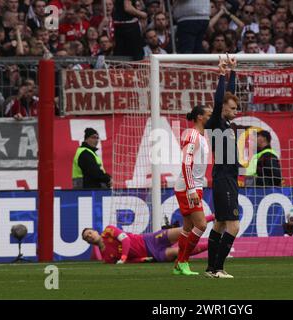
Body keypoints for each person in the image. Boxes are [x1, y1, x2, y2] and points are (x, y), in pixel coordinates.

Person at [204, 55, 240, 279]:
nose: (236, 110)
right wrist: (221, 74)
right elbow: (220, 101)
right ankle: (219, 268)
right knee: (233, 226)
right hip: (224, 179)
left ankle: (210, 268)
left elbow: (228, 98)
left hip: (226, 179)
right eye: (233, 108)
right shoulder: (216, 122)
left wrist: (233, 73)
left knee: (218, 225)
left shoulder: (226, 122)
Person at [173, 105, 212, 276]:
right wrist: (191, 189)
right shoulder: (192, 135)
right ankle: (183, 261)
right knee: (201, 225)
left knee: (188, 227)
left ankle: (178, 265)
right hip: (189, 187)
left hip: (193, 185)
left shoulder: (202, 136)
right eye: (209, 115)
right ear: (199, 117)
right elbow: (186, 163)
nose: (212, 117)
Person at [82, 218, 213, 264]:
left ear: (95, 231)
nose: (89, 236)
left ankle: (214, 217)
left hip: (150, 240)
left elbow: (125, 240)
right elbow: (126, 262)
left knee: (186, 229)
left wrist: (123, 256)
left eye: (89, 232)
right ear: (88, 242)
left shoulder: (108, 230)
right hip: (152, 255)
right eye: (87, 237)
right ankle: (215, 243)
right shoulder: (105, 258)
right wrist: (141, 260)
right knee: (179, 251)